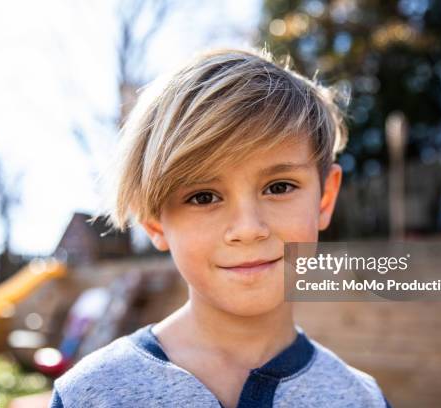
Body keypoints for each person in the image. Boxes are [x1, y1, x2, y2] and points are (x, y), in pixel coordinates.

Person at [49, 48, 392, 408]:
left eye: (279, 187)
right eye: (203, 197)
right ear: (154, 221)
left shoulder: (361, 398)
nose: (248, 229)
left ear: (325, 198)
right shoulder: (91, 394)